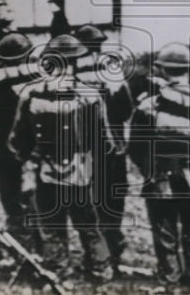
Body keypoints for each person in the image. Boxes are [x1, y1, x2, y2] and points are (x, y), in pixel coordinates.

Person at [8, 34, 113, 282]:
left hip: (45, 167)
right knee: (87, 221)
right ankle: (100, 268)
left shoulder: (31, 95)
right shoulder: (90, 95)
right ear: (76, 62)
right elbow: (104, 140)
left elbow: (17, 137)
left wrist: (28, 159)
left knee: (51, 223)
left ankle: (58, 270)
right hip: (80, 167)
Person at [128, 43, 190, 294]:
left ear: (162, 71)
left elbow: (134, 146)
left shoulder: (148, 106)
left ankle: (171, 283)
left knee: (165, 236)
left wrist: (148, 169)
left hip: (161, 178)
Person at [73, 25, 135, 274]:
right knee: (113, 198)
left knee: (89, 199)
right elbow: (126, 109)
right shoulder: (113, 69)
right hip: (114, 146)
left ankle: (95, 256)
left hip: (85, 145)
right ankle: (114, 251)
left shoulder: (73, 71)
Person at [0, 32, 41, 252]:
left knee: (12, 203)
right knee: (38, 201)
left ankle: (22, 250)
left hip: (5, 152)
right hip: (35, 151)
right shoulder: (43, 79)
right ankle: (41, 247)